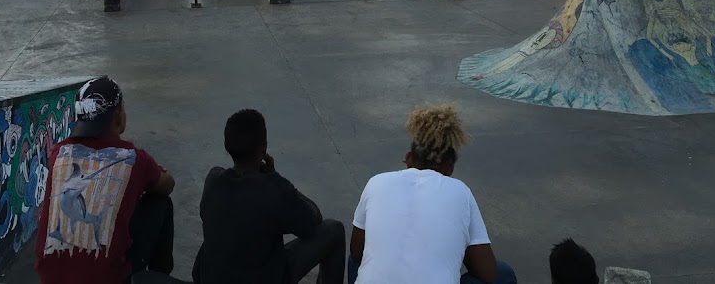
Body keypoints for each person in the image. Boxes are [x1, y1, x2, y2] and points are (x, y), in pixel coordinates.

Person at [349, 104, 515, 284]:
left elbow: (356, 251)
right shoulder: (460, 192)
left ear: (409, 158)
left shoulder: (377, 182)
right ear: (450, 168)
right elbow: (487, 272)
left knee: (357, 262)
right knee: (503, 274)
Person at [35, 76, 176, 284]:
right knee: (161, 203)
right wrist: (151, 172)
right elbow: (167, 185)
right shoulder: (134, 158)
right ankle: (159, 276)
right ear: (118, 118)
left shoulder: (58, 153)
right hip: (109, 279)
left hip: (49, 278)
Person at [192, 109, 345, 284]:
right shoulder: (272, 190)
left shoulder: (213, 179)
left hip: (211, 277)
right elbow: (313, 220)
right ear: (264, 148)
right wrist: (274, 176)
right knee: (334, 230)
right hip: (263, 277)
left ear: (227, 146)